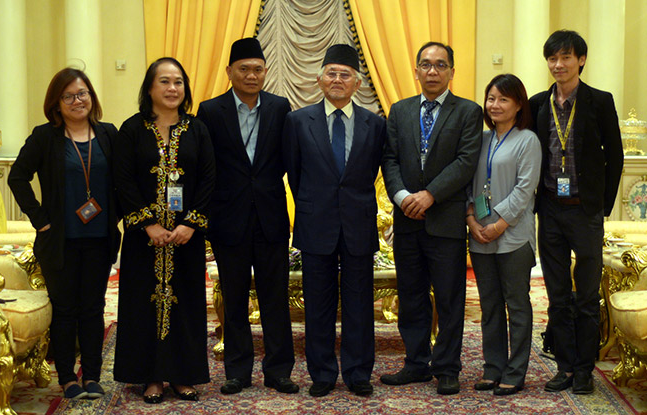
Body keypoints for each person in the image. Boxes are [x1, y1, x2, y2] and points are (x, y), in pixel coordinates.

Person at [8, 68, 121, 399]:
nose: (77, 100)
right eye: (69, 96)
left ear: (92, 97)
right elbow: (17, 177)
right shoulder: (45, 137)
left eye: (83, 93)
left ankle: (93, 375)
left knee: (93, 307)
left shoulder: (108, 134)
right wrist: (40, 220)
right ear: (56, 103)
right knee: (65, 308)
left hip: (100, 238)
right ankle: (68, 377)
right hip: (60, 240)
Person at [283, 44, 386, 397]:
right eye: (332, 73)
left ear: (357, 83)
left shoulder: (375, 123)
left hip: (358, 223)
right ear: (319, 79)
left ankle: (358, 373)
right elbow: (295, 175)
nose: (337, 80)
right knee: (318, 303)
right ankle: (323, 373)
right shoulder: (298, 121)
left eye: (345, 75)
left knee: (359, 302)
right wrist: (314, 205)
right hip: (315, 224)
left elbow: (371, 170)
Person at [196, 38, 298, 395]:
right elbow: (203, 169)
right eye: (244, 69)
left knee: (275, 297)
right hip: (229, 219)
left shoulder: (280, 107)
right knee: (235, 298)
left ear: (265, 72)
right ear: (230, 72)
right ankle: (237, 372)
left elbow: (289, 161)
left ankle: (279, 370)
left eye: (258, 69)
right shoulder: (210, 111)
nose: (251, 75)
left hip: (270, 216)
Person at [380, 41, 482, 395]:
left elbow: (466, 162)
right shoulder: (400, 110)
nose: (433, 71)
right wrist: (403, 196)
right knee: (411, 296)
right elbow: (389, 159)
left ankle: (448, 368)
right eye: (426, 65)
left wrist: (430, 195)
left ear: (452, 71)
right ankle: (415, 363)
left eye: (440, 65)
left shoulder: (468, 112)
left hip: (446, 222)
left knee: (450, 298)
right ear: (417, 70)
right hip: (408, 219)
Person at [113, 57, 216, 403]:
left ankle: (182, 375)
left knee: (186, 305)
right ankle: (151, 377)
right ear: (150, 88)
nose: (173, 89)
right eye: (165, 82)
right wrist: (148, 224)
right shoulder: (131, 129)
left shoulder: (198, 129)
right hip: (145, 240)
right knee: (142, 305)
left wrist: (191, 223)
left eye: (178, 83)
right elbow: (123, 181)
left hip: (187, 239)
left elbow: (208, 180)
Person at [530, 30, 623, 394]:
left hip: (584, 213)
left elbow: (613, 157)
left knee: (585, 297)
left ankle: (585, 369)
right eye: (553, 58)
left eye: (566, 57)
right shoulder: (539, 103)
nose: (558, 65)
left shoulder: (600, 101)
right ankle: (565, 366)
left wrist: (601, 207)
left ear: (581, 60)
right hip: (550, 210)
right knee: (557, 295)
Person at [467, 74, 541, 396]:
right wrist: (471, 219)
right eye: (491, 98)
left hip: (513, 236)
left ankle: (515, 370)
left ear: (518, 104)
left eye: (503, 100)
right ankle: (492, 368)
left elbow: (525, 189)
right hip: (479, 234)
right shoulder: (480, 139)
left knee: (517, 304)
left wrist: (499, 224)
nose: (494, 105)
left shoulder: (528, 140)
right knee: (490, 306)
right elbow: (469, 185)